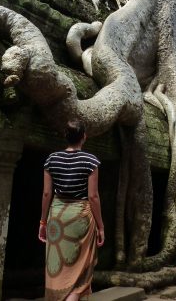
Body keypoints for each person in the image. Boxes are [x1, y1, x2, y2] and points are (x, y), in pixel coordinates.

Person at [39, 121, 105, 301]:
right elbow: (93, 197)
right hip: (80, 217)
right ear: (84, 137)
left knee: (58, 270)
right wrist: (101, 227)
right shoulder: (90, 161)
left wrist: (43, 222)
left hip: (57, 218)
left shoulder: (51, 159)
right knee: (80, 273)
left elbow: (46, 193)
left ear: (65, 137)